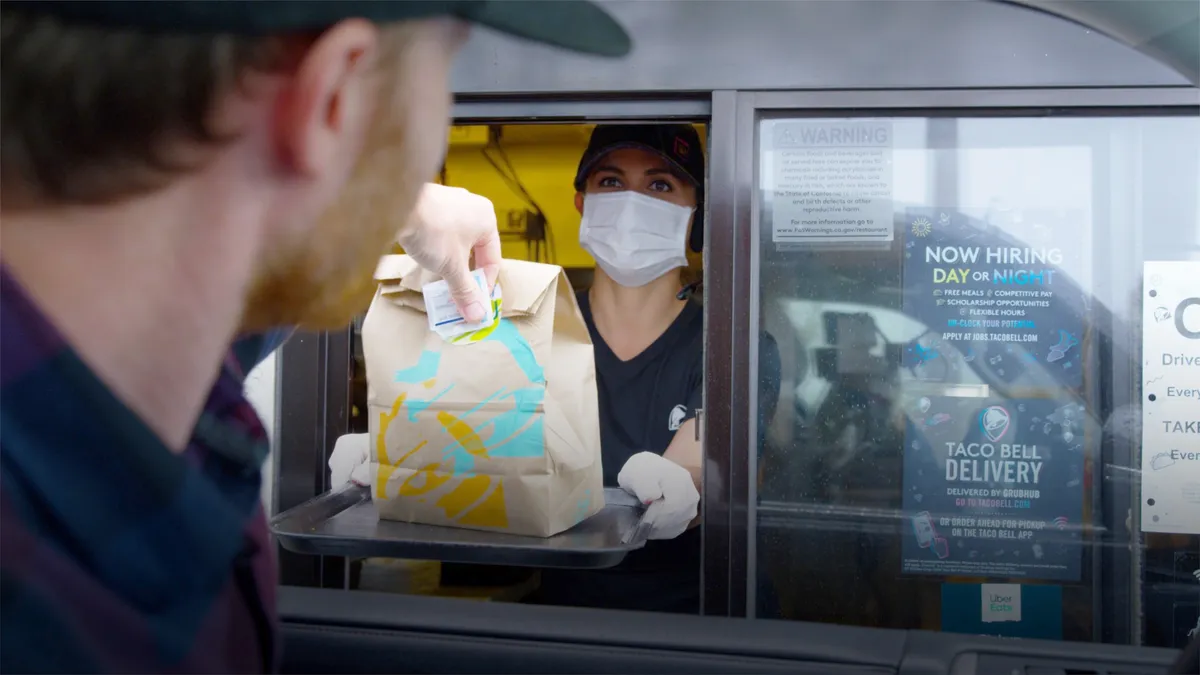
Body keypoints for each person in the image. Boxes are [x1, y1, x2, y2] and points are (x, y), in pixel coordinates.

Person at [0, 2, 631, 673]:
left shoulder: (153, 373)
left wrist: (380, 193)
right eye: (444, 73)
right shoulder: (46, 614)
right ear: (336, 95)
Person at [329, 124, 782, 614]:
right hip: (566, 618)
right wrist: (401, 456)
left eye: (659, 185)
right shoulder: (535, 325)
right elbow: (474, 438)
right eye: (610, 182)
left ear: (697, 217)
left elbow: (698, 463)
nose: (631, 203)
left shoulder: (731, 347)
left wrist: (682, 485)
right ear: (582, 204)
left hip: (697, 622)